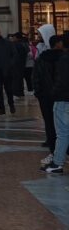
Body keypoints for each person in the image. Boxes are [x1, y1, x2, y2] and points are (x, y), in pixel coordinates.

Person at [34, 34, 65, 168]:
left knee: (50, 123)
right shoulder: (63, 58)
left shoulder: (41, 58)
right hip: (61, 96)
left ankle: (54, 152)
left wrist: (39, 93)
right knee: (63, 127)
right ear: (58, 44)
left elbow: (36, 77)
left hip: (46, 97)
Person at [41, 38, 69, 176]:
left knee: (62, 133)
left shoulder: (64, 59)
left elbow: (62, 81)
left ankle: (57, 163)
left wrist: (53, 93)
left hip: (63, 99)